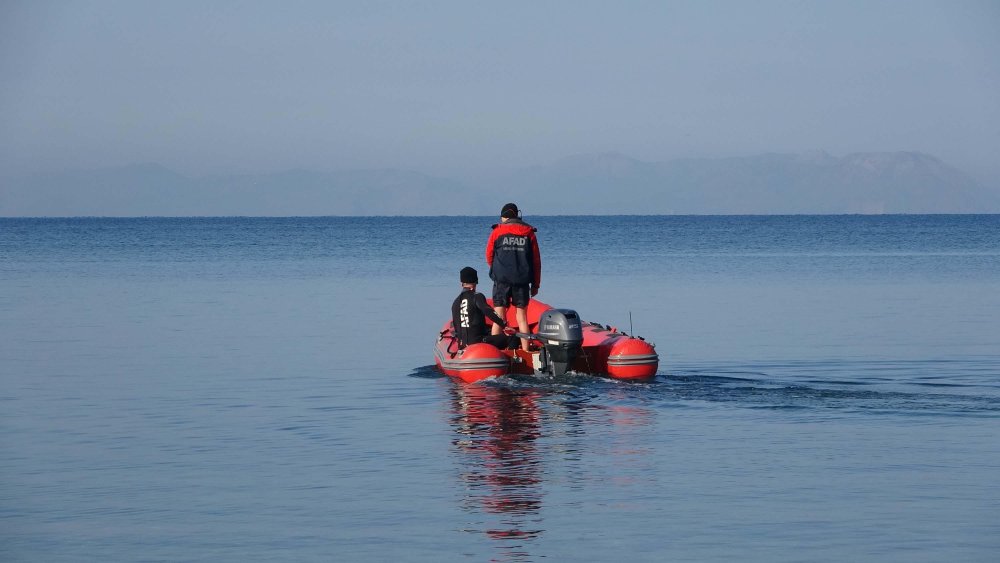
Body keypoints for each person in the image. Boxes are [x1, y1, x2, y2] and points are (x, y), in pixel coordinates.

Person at [485, 202, 541, 352]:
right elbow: (536, 261)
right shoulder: (529, 232)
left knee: (499, 316)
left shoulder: (497, 232)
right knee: (522, 317)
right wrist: (536, 285)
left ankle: (494, 352)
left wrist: (496, 269)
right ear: (517, 215)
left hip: (501, 280)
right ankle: (526, 350)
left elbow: (489, 256)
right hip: (522, 281)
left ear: (503, 217)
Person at [451, 266, 517, 349]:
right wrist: (504, 325)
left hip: (462, 344)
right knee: (513, 337)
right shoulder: (477, 296)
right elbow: (488, 311)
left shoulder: (456, 302)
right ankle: (508, 359)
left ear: (461, 284)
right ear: (476, 282)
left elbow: (456, 326)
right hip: (479, 342)